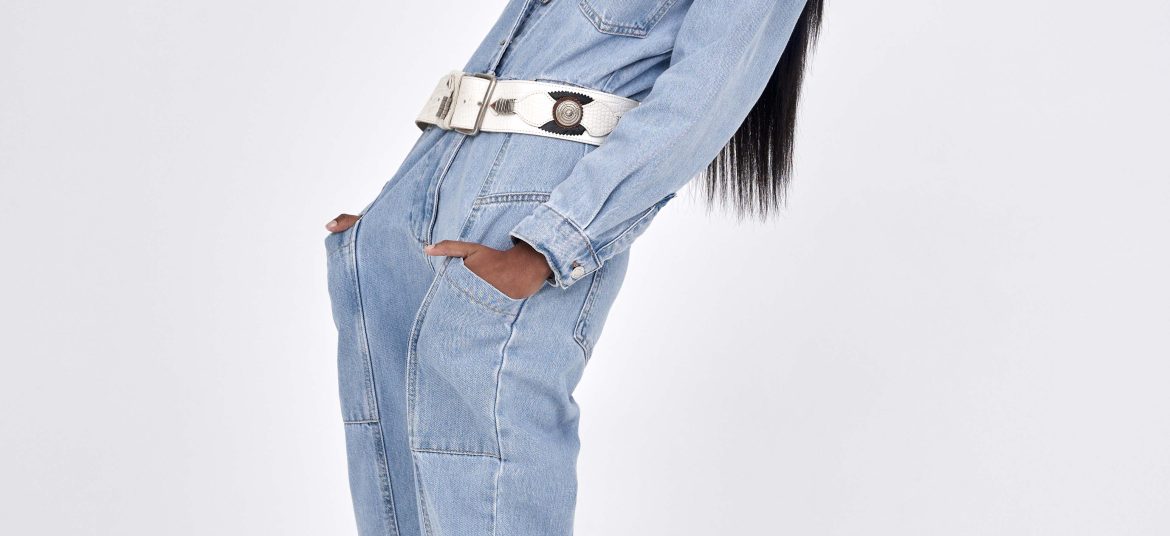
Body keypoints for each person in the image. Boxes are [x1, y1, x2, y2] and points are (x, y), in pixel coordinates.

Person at [323, 0, 823, 534]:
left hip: (524, 224)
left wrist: (550, 246)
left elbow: (704, 94)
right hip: (429, 203)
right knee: (394, 485)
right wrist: (390, 212)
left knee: (484, 474)